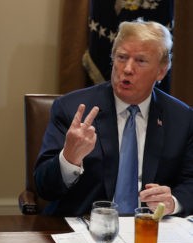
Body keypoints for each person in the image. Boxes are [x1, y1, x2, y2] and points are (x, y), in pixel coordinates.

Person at [34, 19, 193, 217]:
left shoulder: (181, 118)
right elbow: (43, 187)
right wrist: (69, 158)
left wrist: (172, 203)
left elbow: (190, 181)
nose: (127, 69)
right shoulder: (72, 109)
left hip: (149, 230)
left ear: (161, 71)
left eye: (140, 61)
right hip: (84, 228)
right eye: (121, 57)